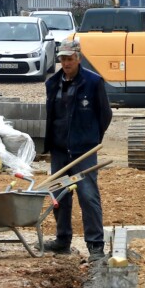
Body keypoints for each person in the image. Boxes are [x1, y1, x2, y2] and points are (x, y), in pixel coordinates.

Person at [42, 38, 113, 260]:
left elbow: (105, 115)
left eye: (70, 59)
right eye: (62, 59)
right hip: (60, 151)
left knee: (88, 195)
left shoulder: (93, 83)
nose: (66, 63)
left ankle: (95, 246)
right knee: (59, 195)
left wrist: (91, 139)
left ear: (78, 58)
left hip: (84, 152)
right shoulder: (53, 83)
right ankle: (62, 240)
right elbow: (52, 116)